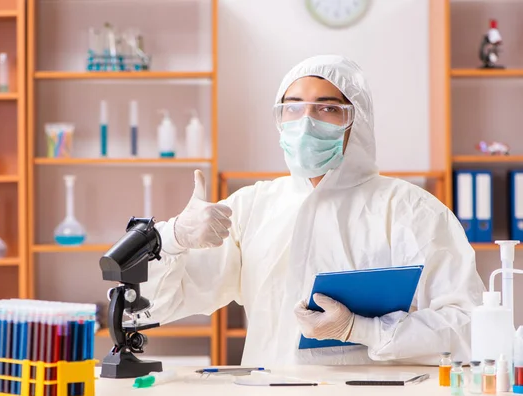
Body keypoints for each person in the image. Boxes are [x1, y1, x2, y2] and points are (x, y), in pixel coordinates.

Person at [142, 54, 485, 366]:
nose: (305, 123)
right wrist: (170, 239)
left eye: (327, 108)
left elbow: (469, 330)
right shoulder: (251, 207)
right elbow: (150, 309)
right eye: (292, 108)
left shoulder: (410, 210)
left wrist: (360, 329)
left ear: (357, 121)